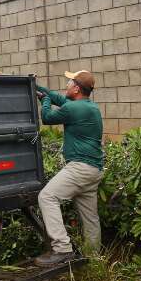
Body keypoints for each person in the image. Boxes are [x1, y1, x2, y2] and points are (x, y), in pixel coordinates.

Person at [34, 70, 104, 266]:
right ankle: (94, 260)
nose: (66, 84)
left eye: (69, 82)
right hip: (93, 169)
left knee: (47, 196)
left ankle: (62, 249)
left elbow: (47, 117)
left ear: (76, 88)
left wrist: (45, 101)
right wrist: (35, 86)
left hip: (80, 168)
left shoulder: (75, 109)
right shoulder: (86, 106)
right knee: (90, 218)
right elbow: (56, 96)